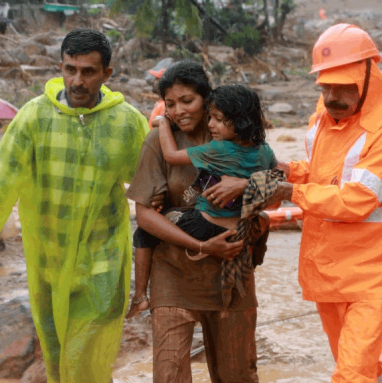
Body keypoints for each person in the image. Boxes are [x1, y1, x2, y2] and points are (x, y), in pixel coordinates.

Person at [0, 28, 149, 383]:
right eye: (70, 69)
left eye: (88, 72)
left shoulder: (124, 122)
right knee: (57, 354)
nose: (77, 80)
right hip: (48, 258)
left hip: (103, 257)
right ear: (60, 67)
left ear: (107, 74)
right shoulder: (34, 117)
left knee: (85, 351)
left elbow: (154, 178)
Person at [268, 24, 382, 382]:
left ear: (368, 79)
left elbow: (356, 200)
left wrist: (289, 192)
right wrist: (287, 171)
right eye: (326, 86)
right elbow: (323, 174)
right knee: (364, 366)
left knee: (351, 374)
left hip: (374, 275)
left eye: (343, 87)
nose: (333, 96)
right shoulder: (321, 121)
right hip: (329, 268)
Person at [126, 60, 260, 382]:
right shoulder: (159, 141)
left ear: (207, 98)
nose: (178, 111)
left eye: (187, 101)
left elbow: (276, 185)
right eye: (170, 104)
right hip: (173, 273)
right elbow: (143, 215)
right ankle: (142, 296)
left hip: (230, 277)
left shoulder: (239, 141)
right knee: (169, 375)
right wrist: (201, 245)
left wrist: (247, 187)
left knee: (237, 375)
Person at [126, 84, 276, 319]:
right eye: (211, 118)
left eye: (217, 119)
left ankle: (140, 297)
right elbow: (277, 176)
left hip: (204, 225)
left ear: (238, 122)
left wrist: (163, 123)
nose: (210, 124)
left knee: (147, 228)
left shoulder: (219, 149)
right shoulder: (264, 150)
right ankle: (258, 249)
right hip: (240, 228)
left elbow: (171, 156)